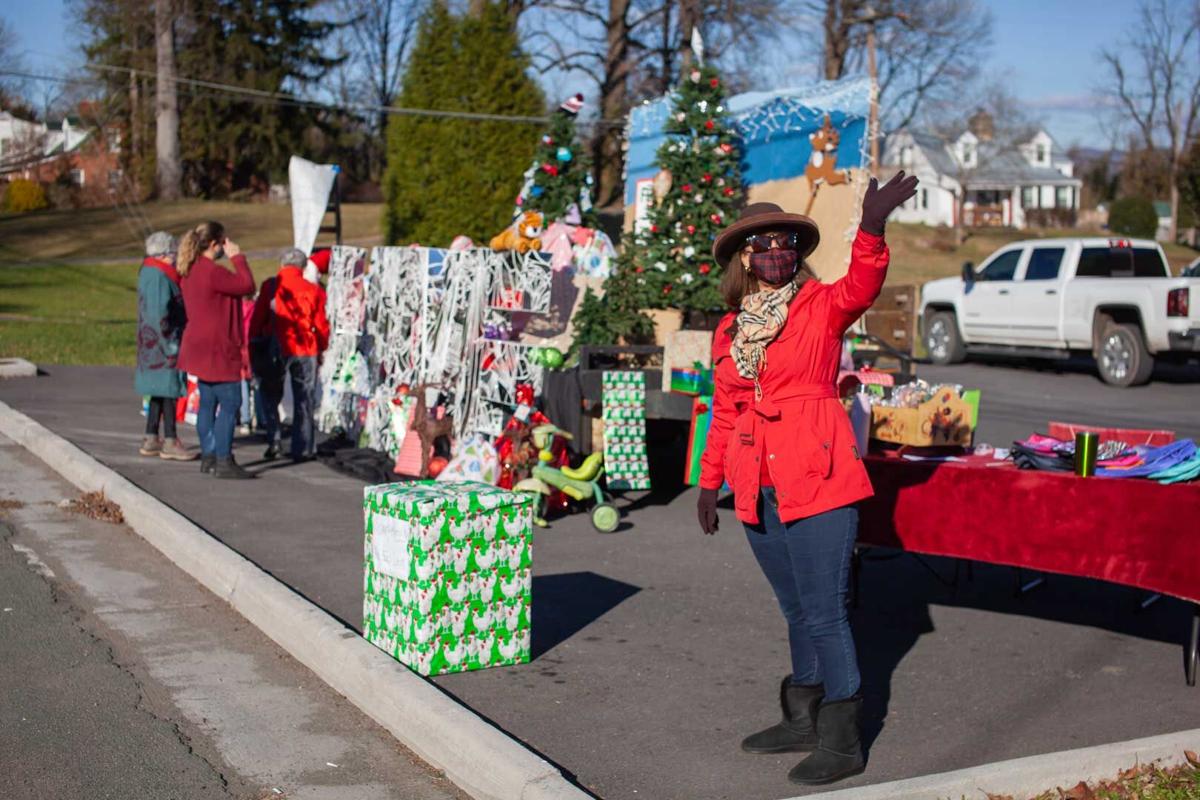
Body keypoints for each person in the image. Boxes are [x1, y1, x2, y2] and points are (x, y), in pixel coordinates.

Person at [695, 172, 919, 786]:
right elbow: (726, 411)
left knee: (825, 612)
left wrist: (871, 227)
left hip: (818, 478)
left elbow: (862, 284)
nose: (776, 252)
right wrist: (709, 482)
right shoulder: (729, 330)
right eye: (763, 245)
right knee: (795, 608)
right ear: (745, 258)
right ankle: (802, 718)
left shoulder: (820, 306)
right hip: (756, 486)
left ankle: (843, 741)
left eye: (785, 243)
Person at [176, 221, 257, 479]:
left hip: (198, 346)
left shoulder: (190, 269)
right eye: (223, 242)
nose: (226, 246)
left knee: (208, 403)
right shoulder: (213, 272)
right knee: (231, 403)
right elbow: (247, 285)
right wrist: (238, 257)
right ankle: (224, 459)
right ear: (214, 244)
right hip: (218, 347)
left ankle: (209, 456)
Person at [249, 248, 330, 462]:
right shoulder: (314, 290)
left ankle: (274, 439)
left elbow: (258, 318)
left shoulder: (270, 286)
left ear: (282, 265)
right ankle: (302, 446)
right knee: (304, 398)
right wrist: (322, 348)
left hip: (275, 345)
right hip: (306, 347)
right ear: (303, 268)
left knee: (270, 395)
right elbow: (321, 325)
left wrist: (253, 343)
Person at [134, 231, 196, 461]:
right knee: (169, 391)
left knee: (158, 391)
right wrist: (170, 343)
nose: (174, 257)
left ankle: (151, 436)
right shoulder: (160, 276)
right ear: (163, 254)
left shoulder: (148, 271)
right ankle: (170, 439)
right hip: (163, 343)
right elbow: (159, 313)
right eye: (172, 253)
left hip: (151, 343)